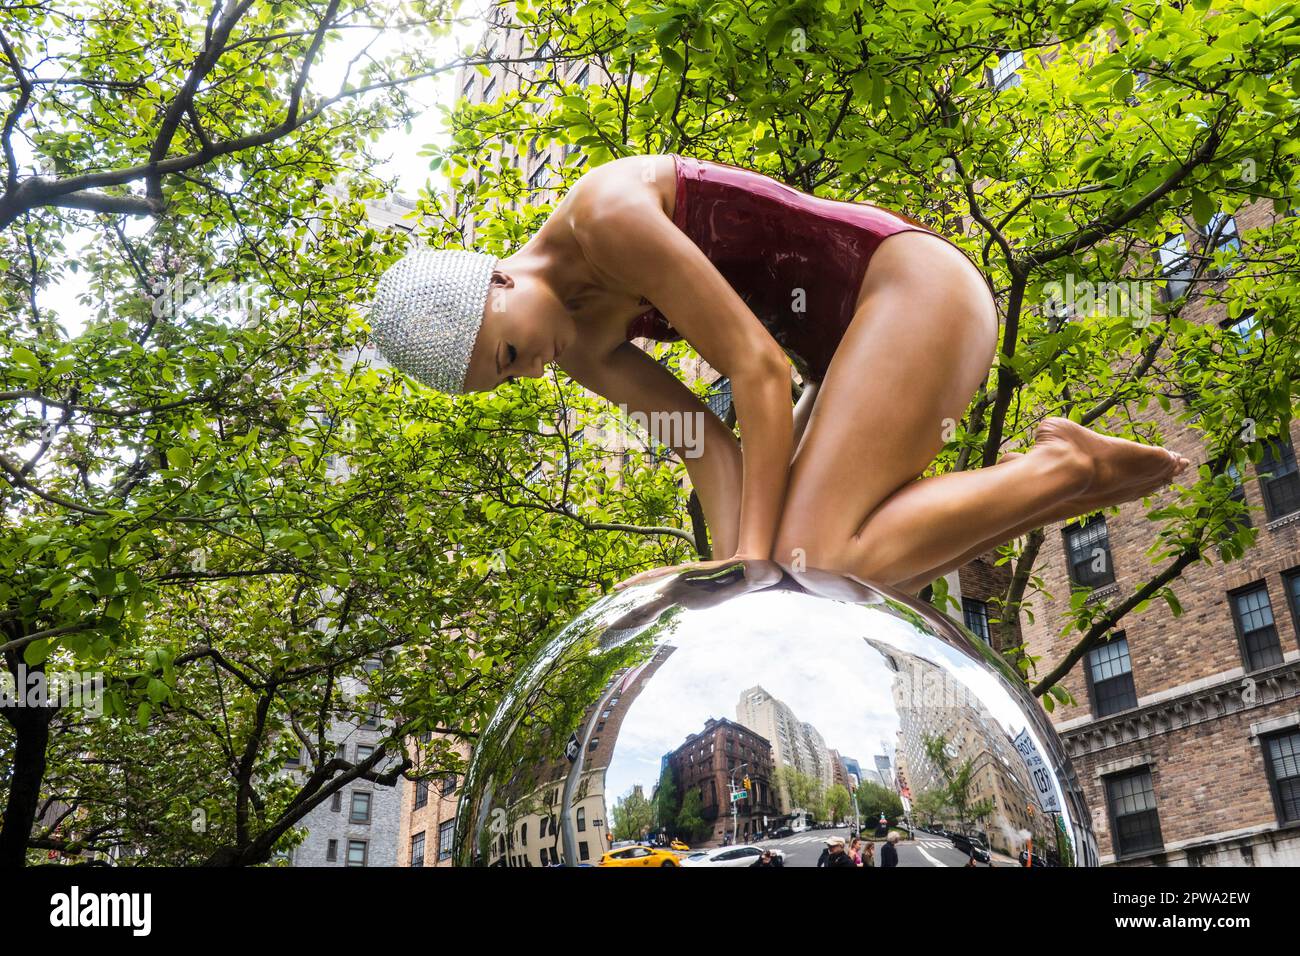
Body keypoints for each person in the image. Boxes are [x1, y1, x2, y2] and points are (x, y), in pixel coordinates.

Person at [368, 154, 1190, 593]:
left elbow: (757, 373)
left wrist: (748, 562)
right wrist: (737, 580)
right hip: (846, 360)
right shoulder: (579, 347)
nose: (529, 369)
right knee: (805, 579)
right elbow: (707, 451)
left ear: (498, 280)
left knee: (804, 556)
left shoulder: (604, 216)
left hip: (909, 288)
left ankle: (1064, 465)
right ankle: (1075, 481)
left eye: (508, 353)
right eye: (505, 380)